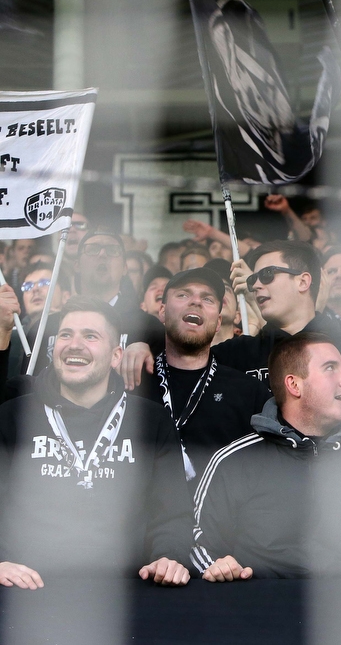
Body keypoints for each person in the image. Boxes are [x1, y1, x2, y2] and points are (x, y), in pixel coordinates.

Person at [190, 333, 341, 586]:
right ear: (294, 385)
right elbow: (198, 546)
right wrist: (217, 566)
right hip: (257, 616)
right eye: (331, 369)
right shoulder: (233, 461)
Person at [0, 296, 194, 588]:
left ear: (116, 355)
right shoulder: (14, 415)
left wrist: (168, 557)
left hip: (129, 591)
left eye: (90, 336)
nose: (74, 344)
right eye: (66, 335)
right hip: (26, 588)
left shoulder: (150, 421)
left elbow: (173, 511)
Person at [120, 240, 341, 388]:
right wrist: (142, 344)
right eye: (254, 279)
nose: (255, 285)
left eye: (267, 275)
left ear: (303, 281)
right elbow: (179, 358)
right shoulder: (239, 353)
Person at [131, 268, 270, 485]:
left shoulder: (249, 393)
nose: (196, 301)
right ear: (162, 312)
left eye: (207, 298)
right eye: (183, 295)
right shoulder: (133, 383)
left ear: (217, 323)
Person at [27, 231, 164, 372]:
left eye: (112, 250)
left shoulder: (150, 327)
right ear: (77, 265)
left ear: (124, 268)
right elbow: (29, 385)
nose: (102, 254)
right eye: (92, 249)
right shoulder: (44, 327)